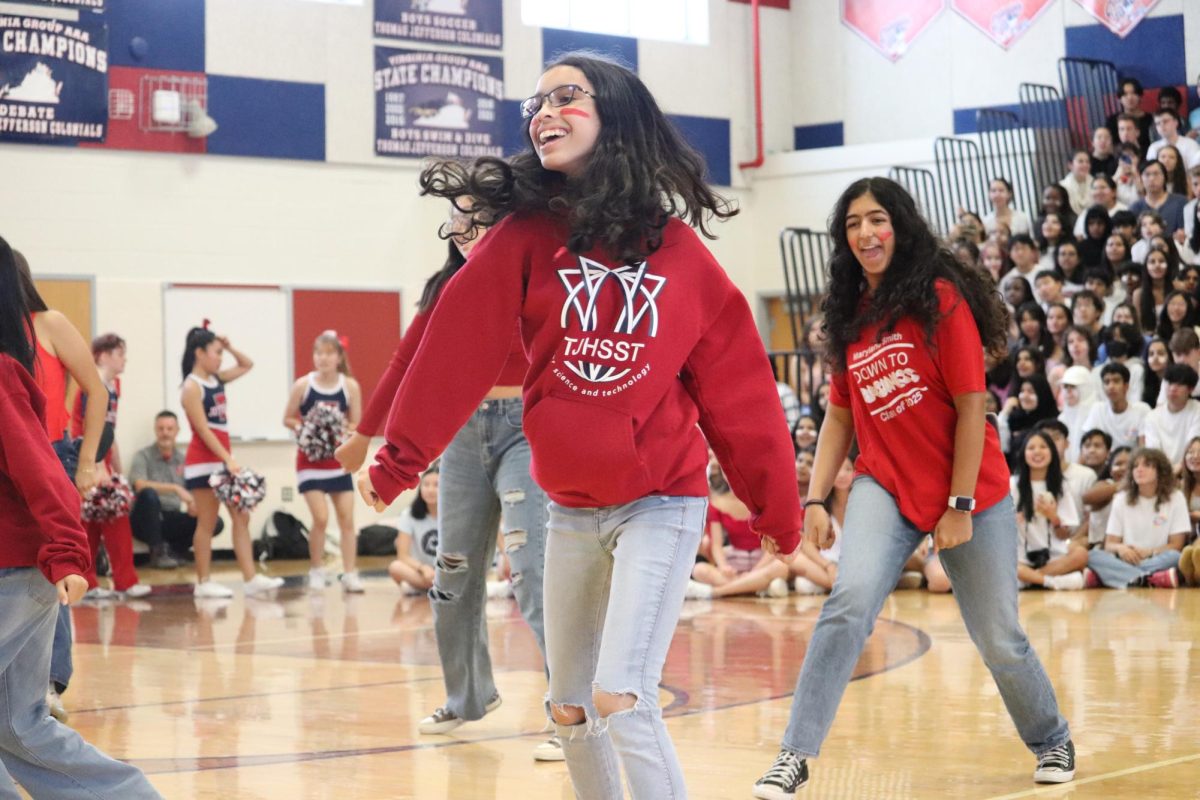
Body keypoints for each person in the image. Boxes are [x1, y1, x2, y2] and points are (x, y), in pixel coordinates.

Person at [360, 53, 802, 798]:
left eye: (568, 96)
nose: (544, 112)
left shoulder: (683, 259)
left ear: (617, 117)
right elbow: (454, 346)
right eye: (535, 102)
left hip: (660, 500)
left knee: (621, 698)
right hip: (569, 505)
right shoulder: (526, 236)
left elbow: (742, 395)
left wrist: (780, 514)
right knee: (569, 708)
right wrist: (399, 458)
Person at [752, 177, 1074, 799]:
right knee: (846, 605)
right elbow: (840, 415)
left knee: (998, 637)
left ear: (899, 226)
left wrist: (956, 506)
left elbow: (973, 402)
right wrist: (815, 499)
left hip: (968, 489)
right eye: (852, 224)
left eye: (877, 220)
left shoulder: (939, 298)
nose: (865, 233)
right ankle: (793, 755)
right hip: (886, 485)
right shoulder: (848, 315)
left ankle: (1051, 736)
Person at [336, 212, 558, 761]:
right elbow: (406, 360)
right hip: (463, 434)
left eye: (476, 215)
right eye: (454, 218)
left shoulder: (535, 272)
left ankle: (569, 708)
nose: (463, 227)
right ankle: (467, 698)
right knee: (452, 574)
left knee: (532, 572)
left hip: (523, 430)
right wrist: (367, 436)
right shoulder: (447, 288)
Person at [0, 235, 164, 799]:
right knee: (20, 726)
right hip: (27, 550)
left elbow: (42, 461)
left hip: (24, 549)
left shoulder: (15, 356)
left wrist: (87, 467)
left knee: (21, 722)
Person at [13, 249, 108, 723]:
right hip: (13, 459)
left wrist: (87, 459)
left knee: (57, 566)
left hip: (51, 453)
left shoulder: (48, 323)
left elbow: (97, 387)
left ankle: (51, 681)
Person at [179, 325, 283, 598]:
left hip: (224, 461)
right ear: (199, 353)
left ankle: (250, 578)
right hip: (204, 462)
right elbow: (203, 430)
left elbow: (247, 364)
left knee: (242, 516)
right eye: (216, 353)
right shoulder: (191, 387)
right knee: (208, 522)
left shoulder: (217, 380)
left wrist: (229, 345)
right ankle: (203, 582)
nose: (220, 358)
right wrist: (227, 458)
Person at [69, 334, 150, 599]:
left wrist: (115, 465)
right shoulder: (90, 386)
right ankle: (105, 582)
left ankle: (102, 582)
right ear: (103, 355)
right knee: (106, 520)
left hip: (102, 459)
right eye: (119, 353)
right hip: (85, 457)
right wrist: (94, 465)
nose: (124, 359)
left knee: (97, 521)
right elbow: (85, 428)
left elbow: (108, 430)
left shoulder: (115, 387)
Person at [283, 331, 363, 593]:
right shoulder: (303, 385)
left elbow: (356, 424)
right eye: (319, 353)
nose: (323, 358)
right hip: (310, 461)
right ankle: (316, 568)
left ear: (339, 357)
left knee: (346, 519)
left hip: (338, 462)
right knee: (320, 518)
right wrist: (309, 428)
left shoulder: (349, 386)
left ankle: (349, 573)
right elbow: (288, 418)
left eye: (329, 353)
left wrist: (339, 429)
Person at [128, 410, 222, 567]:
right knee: (149, 494)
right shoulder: (143, 456)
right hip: (146, 519)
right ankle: (157, 553)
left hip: (172, 517)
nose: (165, 433)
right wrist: (175, 488)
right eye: (161, 429)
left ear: (177, 431)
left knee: (214, 521)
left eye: (169, 429)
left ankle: (173, 552)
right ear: (155, 430)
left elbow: (193, 491)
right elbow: (139, 484)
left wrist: (194, 504)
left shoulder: (183, 460)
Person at [1086, 448, 1187, 588]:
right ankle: (1150, 579)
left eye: (1147, 465)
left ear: (1160, 471)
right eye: (1135, 466)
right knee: (1092, 556)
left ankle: (1117, 577)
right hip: (1125, 559)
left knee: (1176, 557)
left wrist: (1150, 552)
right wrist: (1122, 549)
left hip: (1156, 558)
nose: (1139, 469)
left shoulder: (1176, 497)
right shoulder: (1121, 499)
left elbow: (1176, 545)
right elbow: (1110, 544)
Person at [1011, 431, 1089, 591]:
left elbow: (1064, 535)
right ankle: (1052, 582)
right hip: (1020, 554)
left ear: (1052, 453)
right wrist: (1016, 518)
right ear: (1023, 453)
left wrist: (1053, 517)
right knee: (1005, 563)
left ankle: (1029, 579)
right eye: (1031, 448)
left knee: (1081, 554)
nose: (1037, 452)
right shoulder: (1012, 484)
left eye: (1043, 447)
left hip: (1052, 554)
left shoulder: (1061, 486)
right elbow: (1000, 530)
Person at [386, 466, 439, 594]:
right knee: (395, 567)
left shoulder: (453, 516)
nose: (430, 490)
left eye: (436, 485)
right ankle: (435, 588)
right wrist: (423, 568)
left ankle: (420, 588)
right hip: (421, 572)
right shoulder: (409, 515)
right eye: (426, 485)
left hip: (447, 572)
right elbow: (402, 555)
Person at [1141, 363, 1200, 466]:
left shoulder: (1197, 410)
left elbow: (1193, 450)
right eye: (1170, 383)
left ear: (1190, 389)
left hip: (1190, 470)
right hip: (1161, 472)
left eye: (1179, 384)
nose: (1173, 388)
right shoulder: (1152, 416)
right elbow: (1154, 453)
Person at [1129, 160, 1187, 236]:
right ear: (1140, 179)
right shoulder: (1135, 207)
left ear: (1165, 177)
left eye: (1156, 174)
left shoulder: (1181, 202)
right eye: (1147, 174)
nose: (1152, 178)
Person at [1105, 78, 1152, 155]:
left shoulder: (1151, 119)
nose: (1130, 97)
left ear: (1140, 96)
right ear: (1120, 99)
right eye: (1125, 94)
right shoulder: (1112, 121)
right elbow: (1110, 146)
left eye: (1133, 93)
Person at [1059, 150, 1092, 216]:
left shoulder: (1095, 184)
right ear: (1070, 165)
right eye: (1080, 161)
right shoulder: (1063, 187)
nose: (1085, 165)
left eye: (1087, 162)